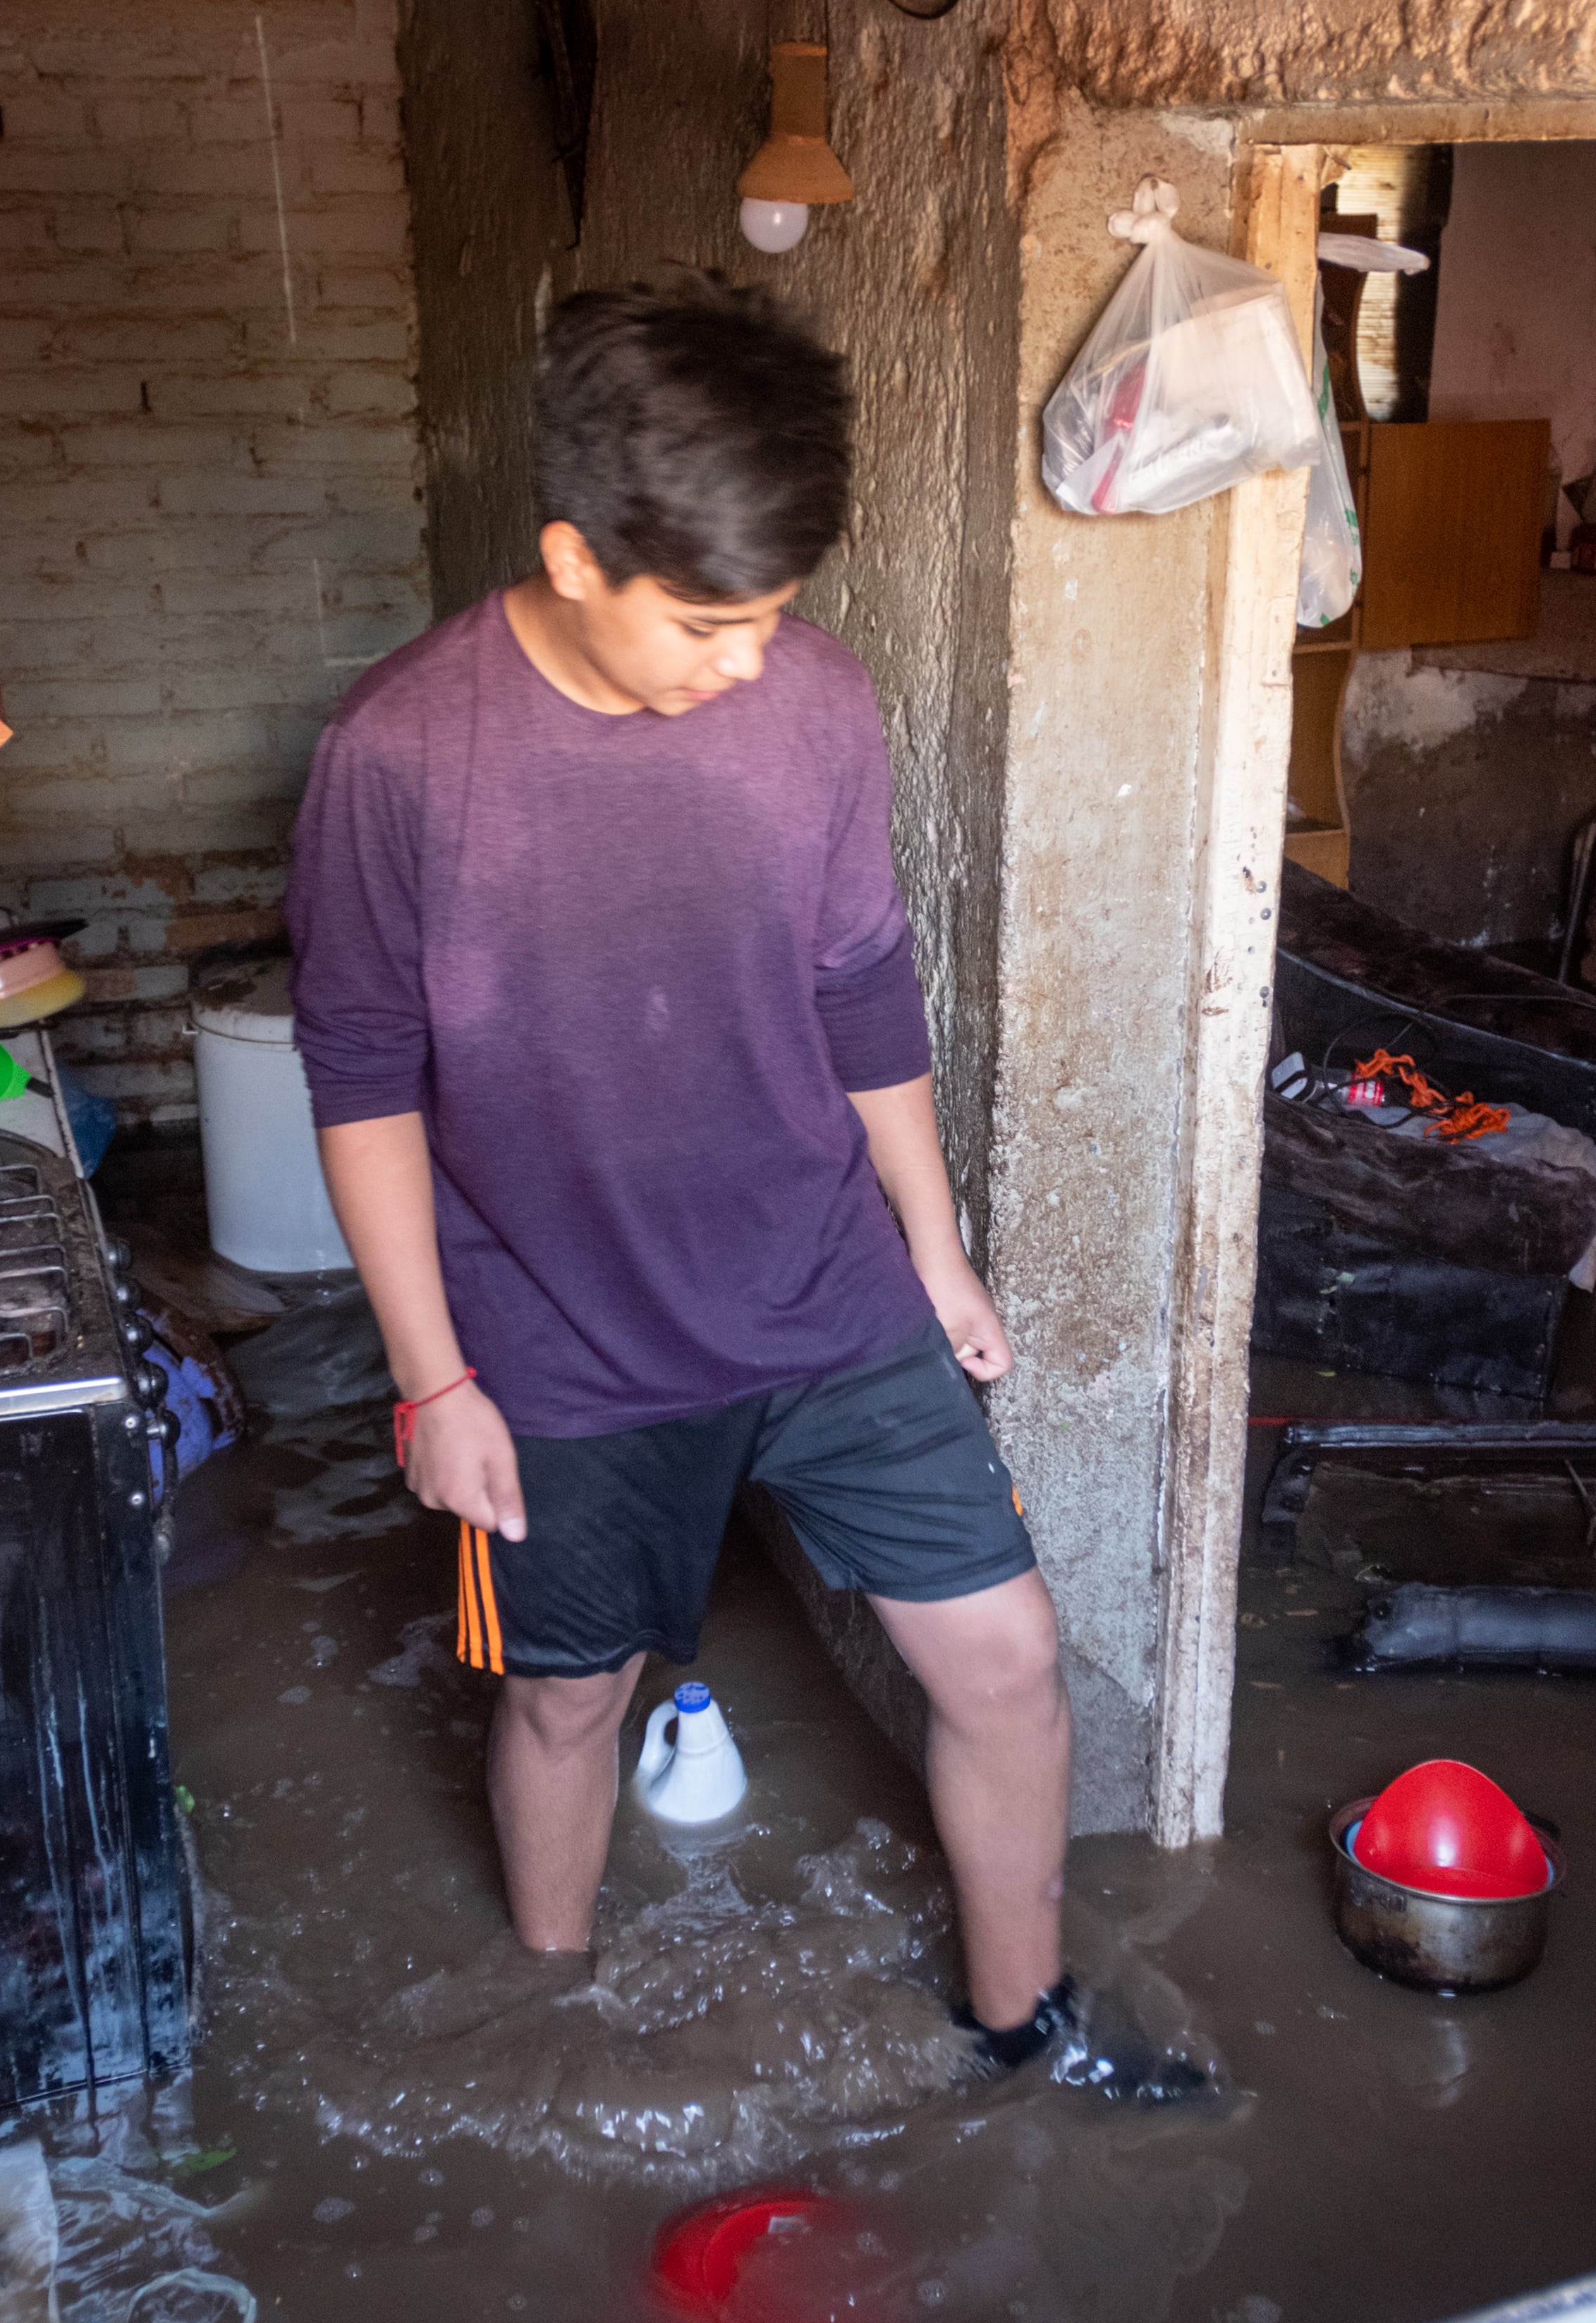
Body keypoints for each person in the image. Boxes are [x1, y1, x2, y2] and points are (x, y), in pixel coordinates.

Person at [287, 274, 1123, 2087]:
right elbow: (357, 1078)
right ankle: (556, 2009)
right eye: (708, 621)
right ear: (574, 554)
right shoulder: (398, 756)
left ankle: (1029, 2030)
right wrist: (433, 1377)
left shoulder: (816, 704)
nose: (749, 662)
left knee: (1003, 1658)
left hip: (824, 1281)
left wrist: (937, 1248)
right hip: (558, 1331)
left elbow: (859, 987)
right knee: (570, 1691)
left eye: (776, 615)